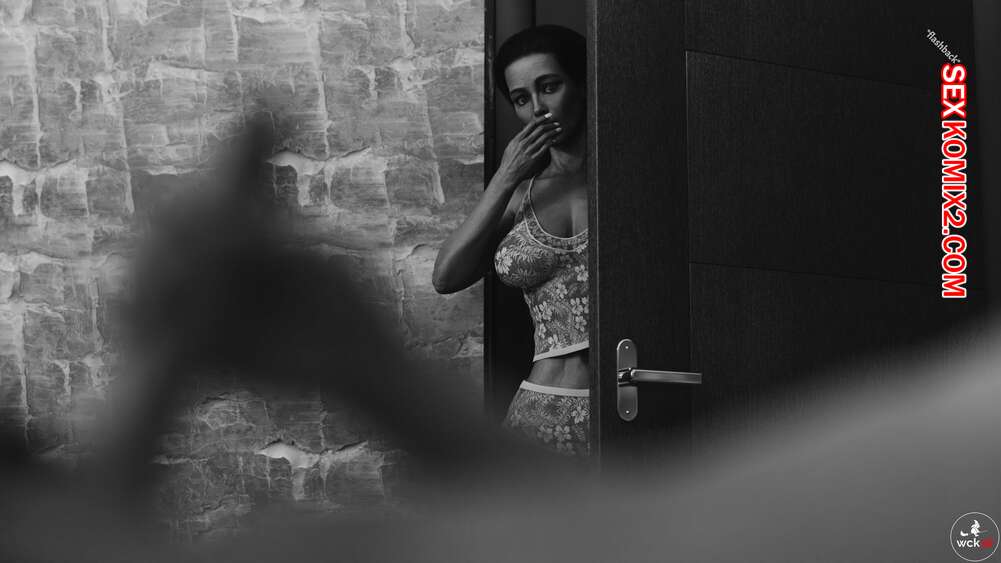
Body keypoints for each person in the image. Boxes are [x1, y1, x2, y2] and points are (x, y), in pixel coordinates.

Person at [432, 25, 590, 457]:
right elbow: (446, 277)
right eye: (522, 98)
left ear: (582, 84)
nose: (538, 108)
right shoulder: (520, 196)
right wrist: (505, 176)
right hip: (535, 415)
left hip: (622, 410)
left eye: (550, 87)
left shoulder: (628, 182)